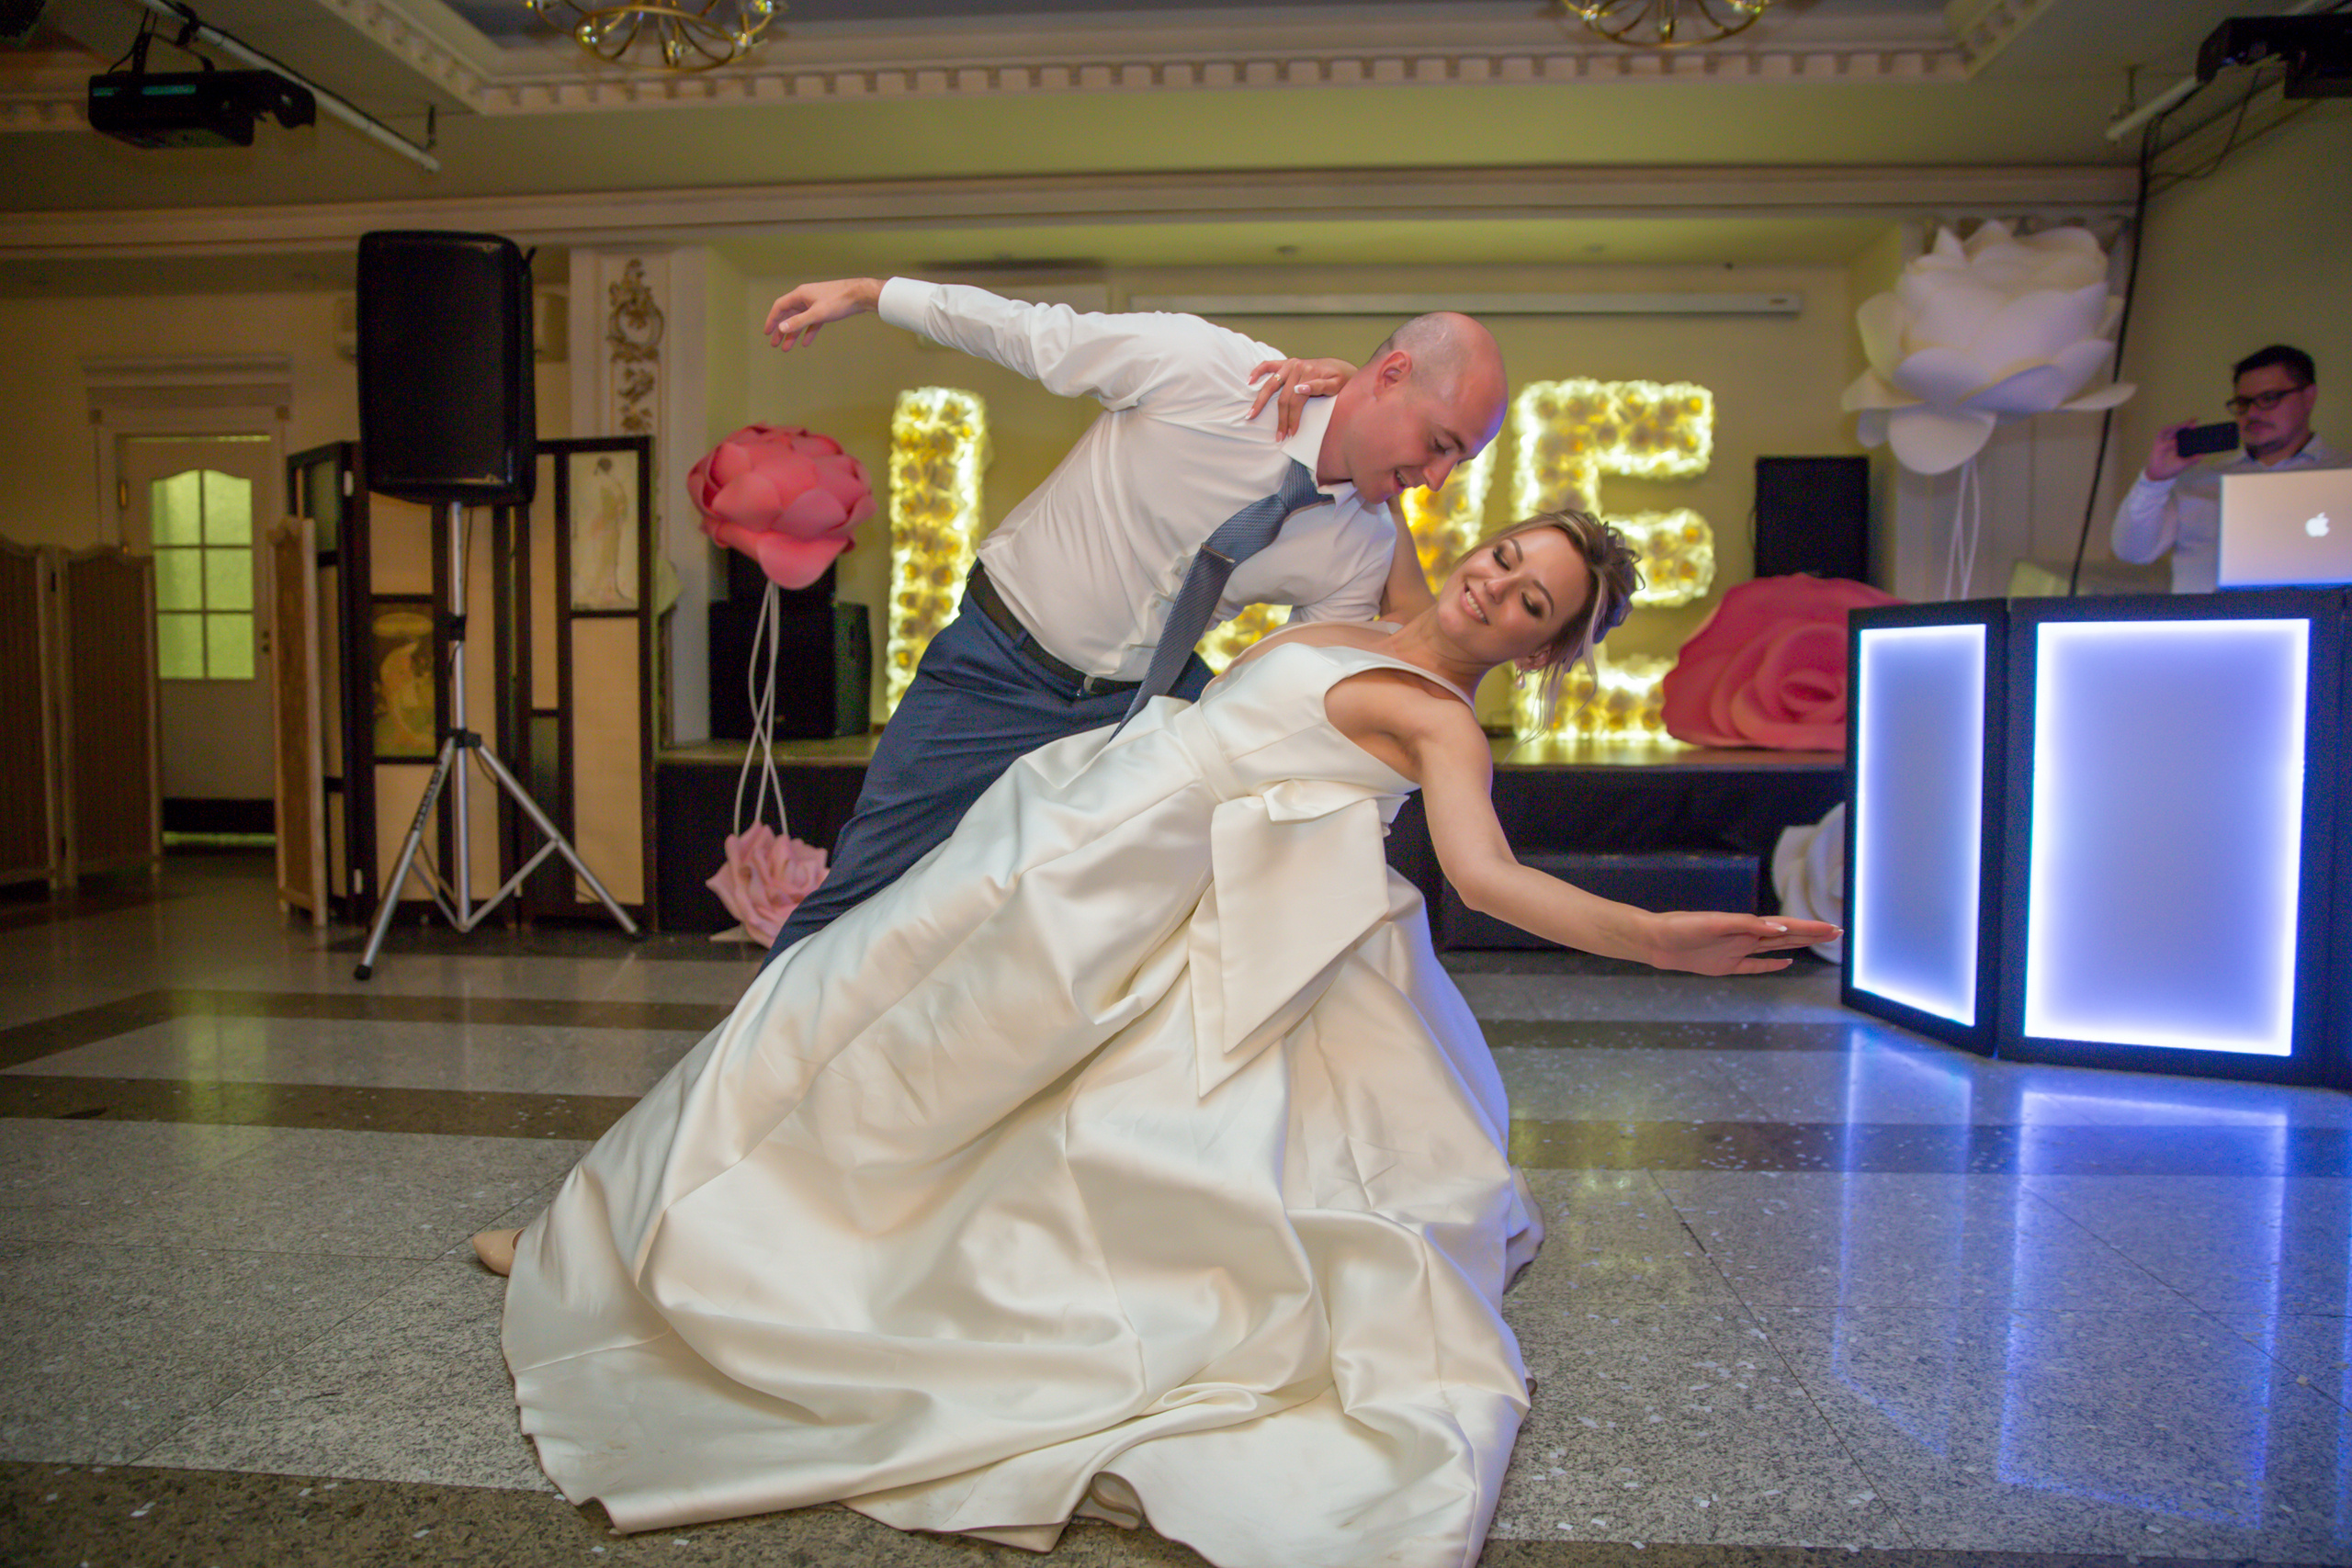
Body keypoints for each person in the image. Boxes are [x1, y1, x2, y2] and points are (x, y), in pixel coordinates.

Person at [476, 510, 1837, 1568]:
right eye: (1502, 556)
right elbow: (1345, 498)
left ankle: (758, 1279)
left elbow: (1487, 877)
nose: (1494, 586)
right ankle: (589, 1233)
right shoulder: (1367, 613)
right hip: (1062, 823)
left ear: (1545, 648)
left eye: (1531, 599)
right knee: (824, 1001)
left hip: (1134, 897)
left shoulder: (1437, 719)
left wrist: (1661, 936)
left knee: (946, 1091)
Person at [753, 276, 1507, 959]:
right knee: (862, 891)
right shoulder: (1210, 369)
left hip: (1136, 713)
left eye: (1456, 463)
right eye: (1438, 446)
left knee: (1063, 942)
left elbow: (1307, 679)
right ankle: (741, 1098)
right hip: (995, 666)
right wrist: (872, 293)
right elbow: (1029, 334)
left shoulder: (1361, 543)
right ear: (1393, 375)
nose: (1437, 479)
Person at [2112, 344, 2340, 592]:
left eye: (2268, 398)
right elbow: (2132, 551)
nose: (2252, 413)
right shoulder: (2196, 482)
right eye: (2243, 403)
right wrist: (2154, 480)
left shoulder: (2344, 477)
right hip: (2208, 627)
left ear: (2308, 397)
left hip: (2326, 625)